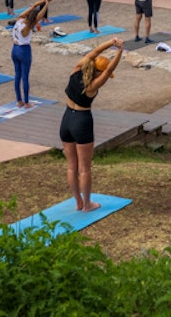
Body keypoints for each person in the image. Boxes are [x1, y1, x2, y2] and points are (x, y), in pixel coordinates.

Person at [61, 37, 124, 212]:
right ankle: (87, 204)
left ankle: (78, 202)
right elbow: (110, 68)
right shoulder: (93, 85)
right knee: (85, 169)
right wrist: (120, 52)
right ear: (98, 72)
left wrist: (111, 42)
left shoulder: (76, 69)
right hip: (82, 121)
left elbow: (95, 52)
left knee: (71, 166)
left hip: (66, 119)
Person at [11, 0, 51, 108]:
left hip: (14, 49)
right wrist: (46, 5)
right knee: (25, 77)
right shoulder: (28, 27)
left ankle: (19, 100)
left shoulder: (19, 19)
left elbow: (33, 7)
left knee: (17, 75)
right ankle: (27, 102)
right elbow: (39, 16)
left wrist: (43, 1)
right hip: (24, 51)